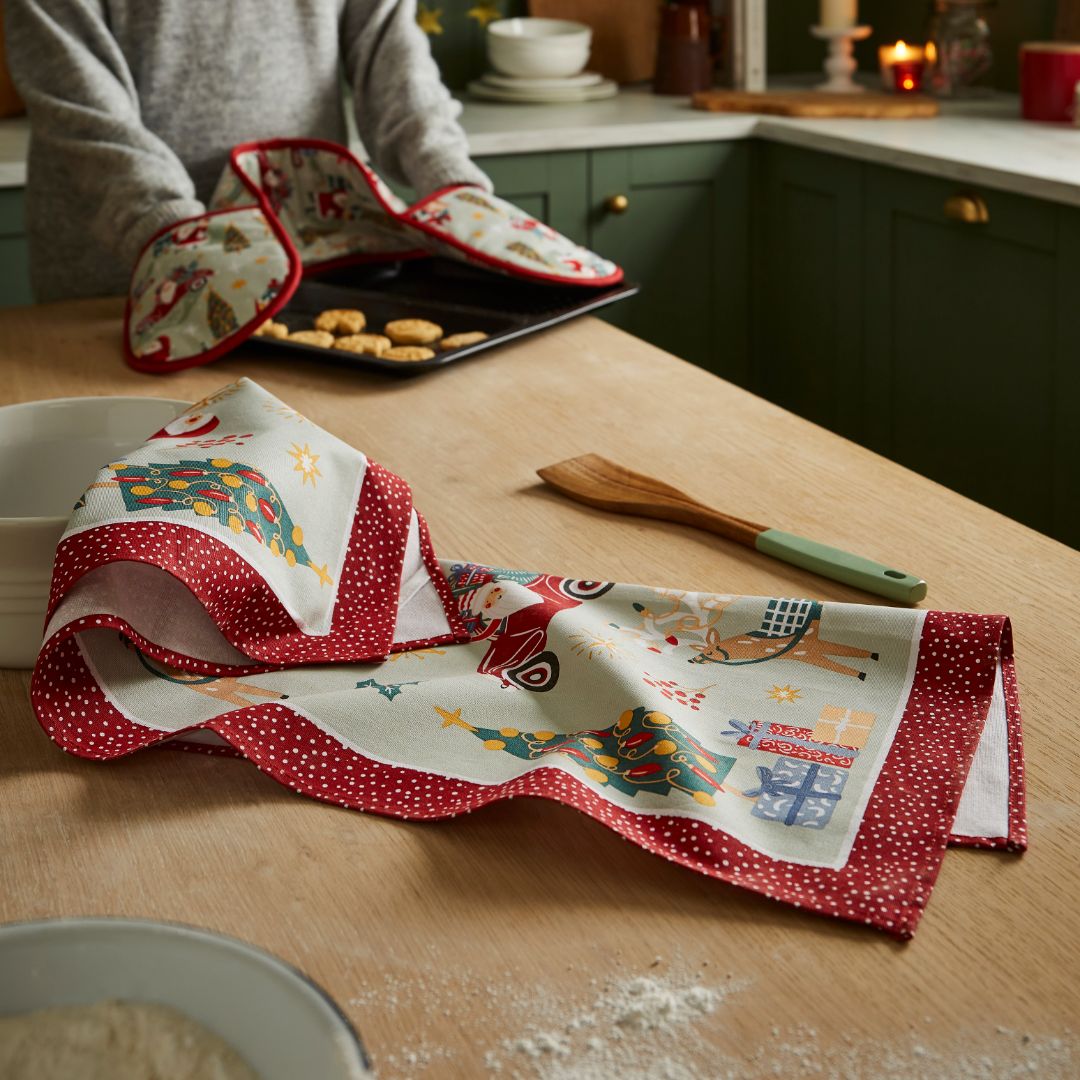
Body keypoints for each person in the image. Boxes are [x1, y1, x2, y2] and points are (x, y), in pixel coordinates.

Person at [4, 0, 491, 302]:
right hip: (124, 281)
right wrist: (177, 239)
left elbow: (389, 45)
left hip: (311, 262)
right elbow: (81, 100)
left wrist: (451, 183)